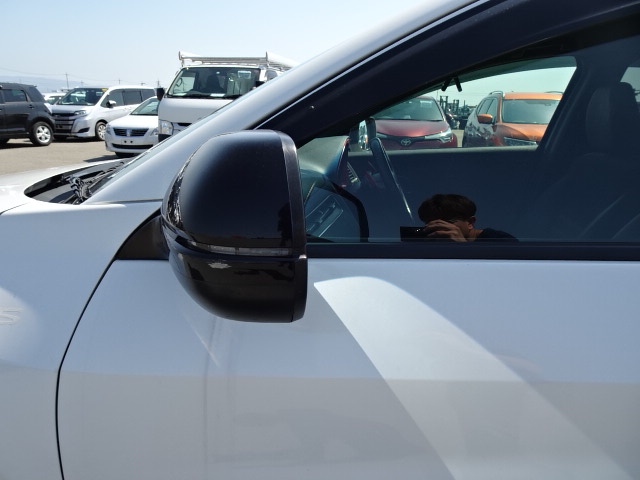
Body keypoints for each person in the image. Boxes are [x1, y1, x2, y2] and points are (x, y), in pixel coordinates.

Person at [417, 193, 517, 242]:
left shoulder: (499, 241)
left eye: (448, 222)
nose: (439, 229)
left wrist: (462, 247)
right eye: (431, 224)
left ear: (470, 223)